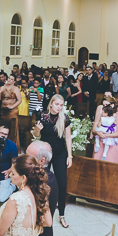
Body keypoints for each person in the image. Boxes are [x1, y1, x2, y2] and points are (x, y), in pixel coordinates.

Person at [34, 95, 73, 228]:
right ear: (51, 104)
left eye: (61, 105)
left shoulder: (64, 118)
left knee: (62, 183)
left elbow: (68, 138)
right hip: (45, 152)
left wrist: (70, 156)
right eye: (57, 104)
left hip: (60, 153)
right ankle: (40, 211)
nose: (59, 107)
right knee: (42, 180)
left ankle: (61, 214)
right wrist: (37, 130)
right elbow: (36, 135)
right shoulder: (43, 116)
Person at [91, 97, 118, 162]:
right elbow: (93, 129)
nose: (104, 107)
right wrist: (98, 133)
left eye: (106, 105)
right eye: (103, 105)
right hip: (100, 143)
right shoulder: (100, 116)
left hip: (111, 145)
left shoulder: (117, 117)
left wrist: (106, 135)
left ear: (112, 105)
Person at [0, 75, 22, 146]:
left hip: (12, 111)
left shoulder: (16, 89)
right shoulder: (3, 87)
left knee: (13, 128)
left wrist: (12, 106)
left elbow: (19, 100)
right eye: (9, 78)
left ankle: (12, 145)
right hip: (3, 110)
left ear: (14, 81)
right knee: (3, 126)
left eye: (11, 79)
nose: (9, 80)